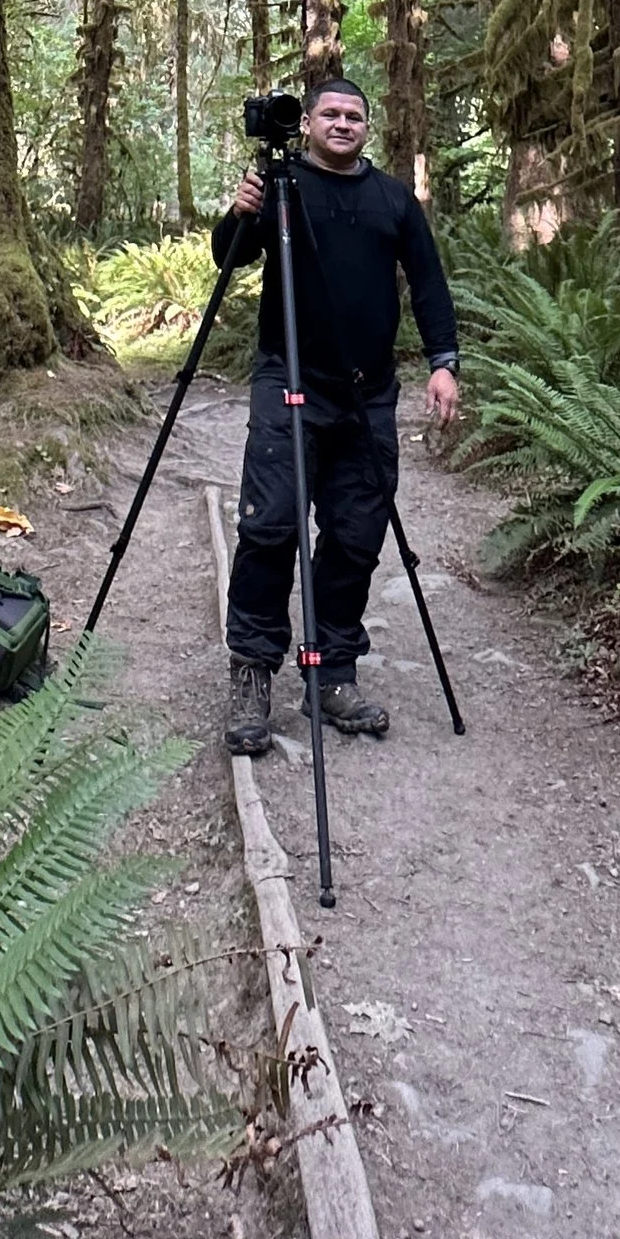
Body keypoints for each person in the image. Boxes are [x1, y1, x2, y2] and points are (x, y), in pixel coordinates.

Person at [212, 75, 460, 755]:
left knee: (356, 535)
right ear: (310, 123)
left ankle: (331, 671)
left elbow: (431, 282)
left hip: (368, 393)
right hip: (287, 377)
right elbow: (227, 259)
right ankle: (252, 674)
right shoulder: (283, 187)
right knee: (272, 526)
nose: (343, 123)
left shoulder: (392, 199)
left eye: (354, 114)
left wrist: (444, 362)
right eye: (330, 113)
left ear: (367, 126)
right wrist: (239, 213)